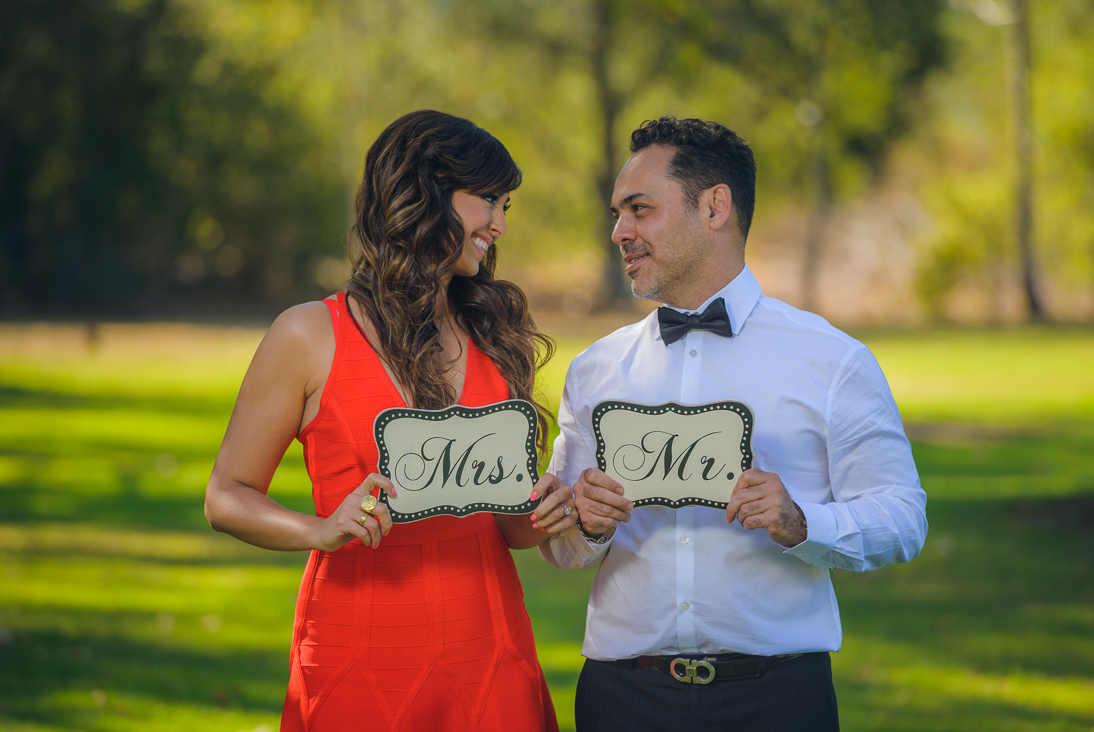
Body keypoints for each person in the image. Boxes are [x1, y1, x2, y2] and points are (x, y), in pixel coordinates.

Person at [540, 117, 927, 731]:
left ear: (714, 206)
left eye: (639, 209)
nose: (619, 232)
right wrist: (584, 526)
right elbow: (561, 549)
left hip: (778, 700)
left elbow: (903, 519)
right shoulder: (596, 370)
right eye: (617, 213)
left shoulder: (832, 359)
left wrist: (803, 522)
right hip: (622, 699)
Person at [205, 110, 575, 732]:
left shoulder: (492, 334)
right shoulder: (307, 334)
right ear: (424, 190)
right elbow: (225, 496)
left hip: (490, 648)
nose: (501, 224)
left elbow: (509, 527)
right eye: (487, 199)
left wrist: (548, 513)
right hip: (358, 650)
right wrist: (321, 529)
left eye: (506, 205)